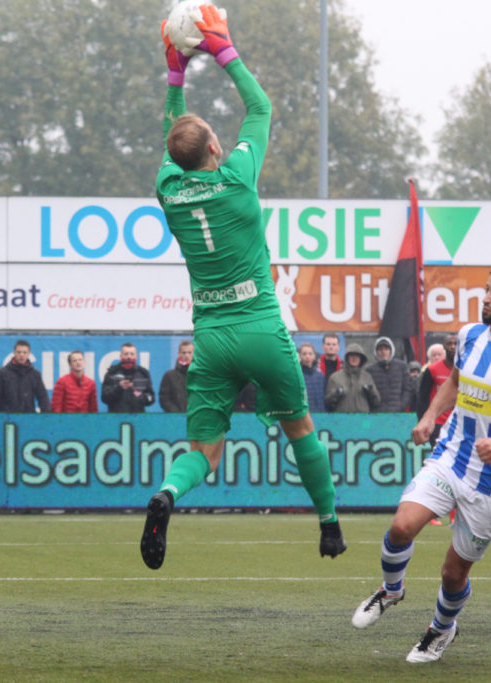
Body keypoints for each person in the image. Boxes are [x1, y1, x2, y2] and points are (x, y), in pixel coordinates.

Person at [143, 7, 344, 570]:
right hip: (258, 325)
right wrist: (223, 50)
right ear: (214, 149)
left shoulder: (167, 188)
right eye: (212, 133)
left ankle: (168, 496)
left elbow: (172, 137)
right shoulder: (236, 179)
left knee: (204, 450)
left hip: (210, 337)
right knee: (299, 425)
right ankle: (328, 523)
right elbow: (260, 107)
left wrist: (175, 73)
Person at [351, 266, 491, 664]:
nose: (485, 298)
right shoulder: (469, 335)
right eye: (486, 290)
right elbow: (455, 382)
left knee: (453, 573)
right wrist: (430, 416)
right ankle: (391, 590)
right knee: (401, 526)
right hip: (451, 455)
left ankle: (441, 629)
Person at [417, 333, 459, 526]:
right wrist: (425, 422)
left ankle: (455, 513)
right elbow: (423, 398)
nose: (452, 346)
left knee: (458, 469)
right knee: (440, 468)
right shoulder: (433, 370)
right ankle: (432, 511)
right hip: (440, 426)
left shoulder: (467, 370)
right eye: (449, 343)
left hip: (460, 425)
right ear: (444, 347)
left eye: (455, 343)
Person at [0, 339, 50, 413]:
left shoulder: (35, 374)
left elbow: (43, 398)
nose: (21, 355)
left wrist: (46, 417)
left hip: (28, 417)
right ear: (14, 353)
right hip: (7, 418)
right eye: (19, 352)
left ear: (29, 354)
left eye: (24, 352)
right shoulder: (2, 373)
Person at [324, 343, 381, 413]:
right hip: (342, 420)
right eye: (351, 356)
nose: (354, 358)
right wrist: (336, 394)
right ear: (347, 358)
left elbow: (376, 402)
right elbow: (328, 404)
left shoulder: (367, 377)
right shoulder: (335, 378)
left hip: (362, 420)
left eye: (357, 356)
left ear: (361, 359)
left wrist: (370, 391)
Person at [101, 342, 155, 413]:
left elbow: (151, 398)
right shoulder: (111, 373)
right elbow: (104, 398)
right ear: (120, 356)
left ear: (136, 357)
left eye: (132, 354)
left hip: (137, 418)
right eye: (126, 354)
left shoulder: (143, 374)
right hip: (116, 418)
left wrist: (140, 396)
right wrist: (119, 388)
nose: (129, 357)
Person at [367, 336, 413, 412]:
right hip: (377, 414)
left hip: (397, 413)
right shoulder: (370, 370)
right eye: (380, 349)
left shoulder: (402, 367)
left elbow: (407, 389)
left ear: (391, 350)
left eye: (386, 349)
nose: (383, 352)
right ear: (376, 352)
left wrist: (402, 406)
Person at [159, 340, 194, 413]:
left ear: (194, 354)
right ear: (179, 354)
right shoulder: (169, 376)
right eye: (184, 353)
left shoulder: (200, 376)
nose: (187, 355)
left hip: (195, 418)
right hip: (175, 420)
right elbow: (164, 399)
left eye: (189, 352)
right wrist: (176, 413)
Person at [298, 342, 326, 413]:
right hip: (305, 415)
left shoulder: (320, 376)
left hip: (321, 414)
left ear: (314, 356)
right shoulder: (297, 376)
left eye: (310, 354)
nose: (307, 356)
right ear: (300, 356)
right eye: (304, 354)